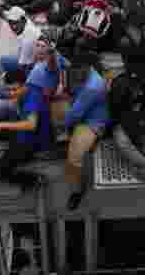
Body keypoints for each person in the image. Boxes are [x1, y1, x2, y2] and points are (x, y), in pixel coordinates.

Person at [61, 63, 111, 211]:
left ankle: (77, 190)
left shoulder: (92, 86)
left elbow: (75, 113)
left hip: (92, 122)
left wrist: (63, 127)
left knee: (74, 157)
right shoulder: (85, 73)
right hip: (84, 111)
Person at [0, 6, 42, 74]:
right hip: (30, 57)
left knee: (3, 60)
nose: (13, 26)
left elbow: (23, 65)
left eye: (16, 23)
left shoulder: (27, 39)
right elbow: (5, 16)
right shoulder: (25, 21)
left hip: (32, 65)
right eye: (11, 22)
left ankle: (3, 81)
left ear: (22, 20)